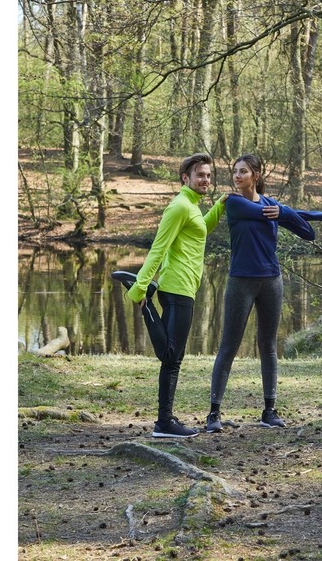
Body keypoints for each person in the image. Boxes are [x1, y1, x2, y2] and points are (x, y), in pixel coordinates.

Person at [205, 153, 322, 433]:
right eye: (235, 172)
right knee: (228, 346)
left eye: (243, 171)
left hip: (271, 281)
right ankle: (213, 414)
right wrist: (286, 213)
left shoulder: (270, 205)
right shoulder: (234, 203)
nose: (237, 176)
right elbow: (279, 214)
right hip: (241, 281)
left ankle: (269, 411)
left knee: (268, 346)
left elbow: (307, 233)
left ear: (256, 174)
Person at [112, 153, 230, 439]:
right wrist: (141, 286)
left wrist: (219, 206)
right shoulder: (179, 206)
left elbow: (199, 231)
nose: (206, 180)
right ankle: (164, 423)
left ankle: (165, 421)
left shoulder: (190, 206)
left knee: (172, 356)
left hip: (185, 287)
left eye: (209, 175)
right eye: (200, 175)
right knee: (170, 357)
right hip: (176, 287)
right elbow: (158, 248)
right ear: (185, 178)